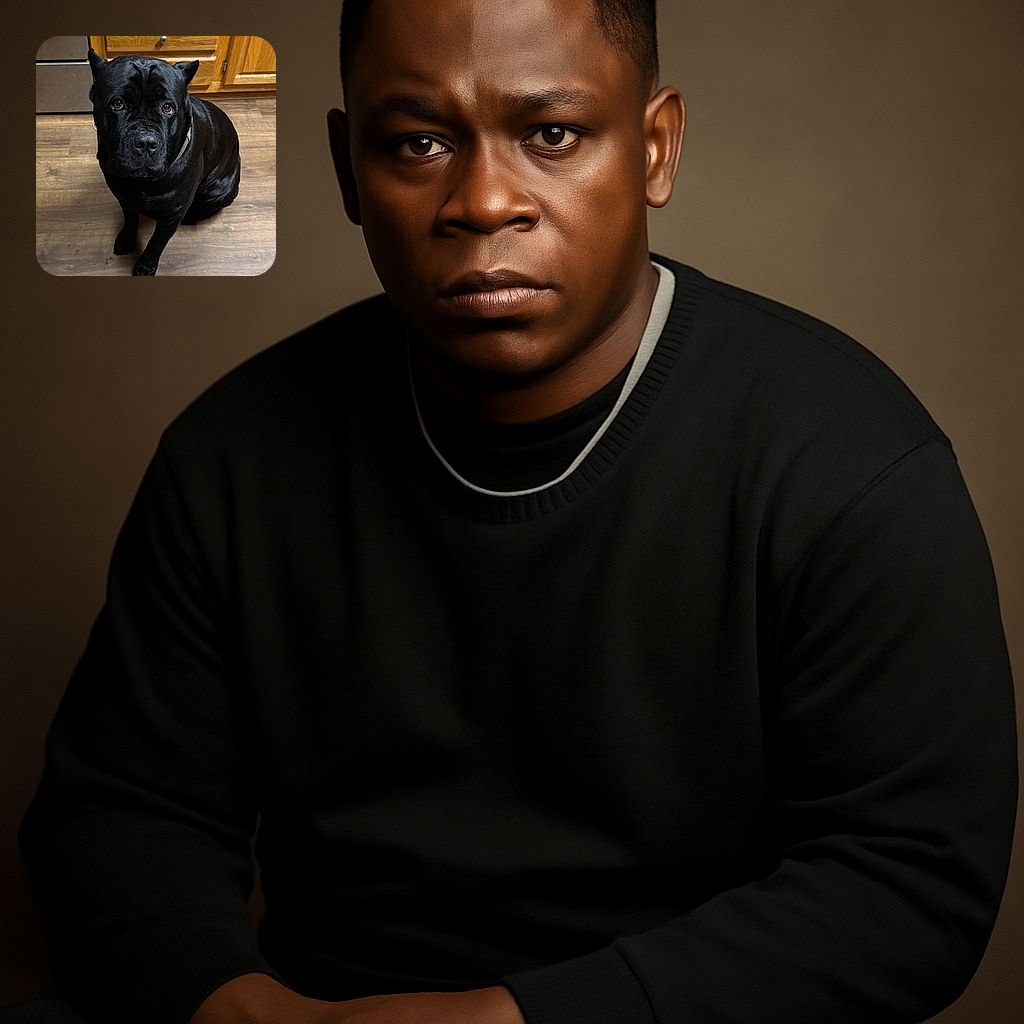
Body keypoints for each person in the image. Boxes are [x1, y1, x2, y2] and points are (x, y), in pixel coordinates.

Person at [17, 1, 1016, 1023]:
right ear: (346, 168)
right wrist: (233, 1007)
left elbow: (911, 877)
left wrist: (511, 1019)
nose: (484, 200)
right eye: (416, 142)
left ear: (655, 147)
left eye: (550, 135)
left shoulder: (845, 457)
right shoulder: (231, 456)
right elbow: (122, 814)